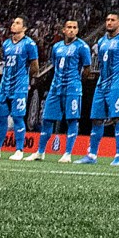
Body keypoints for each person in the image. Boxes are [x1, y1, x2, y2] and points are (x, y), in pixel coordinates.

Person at [86, 10, 119, 164]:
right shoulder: (101, 42)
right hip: (102, 84)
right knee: (97, 119)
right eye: (107, 19)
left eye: (113, 20)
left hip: (117, 84)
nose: (109, 22)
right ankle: (92, 155)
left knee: (117, 118)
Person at [36, 17, 88, 160]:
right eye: (69, 27)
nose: (71, 30)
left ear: (77, 30)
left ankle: (67, 153)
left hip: (72, 88)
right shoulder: (56, 47)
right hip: (55, 87)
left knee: (72, 120)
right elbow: (54, 64)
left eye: (74, 27)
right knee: (47, 119)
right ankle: (40, 152)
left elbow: (87, 69)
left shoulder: (82, 47)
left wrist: (76, 83)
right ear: (63, 30)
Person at [0, 16, 38, 159]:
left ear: (24, 28)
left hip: (19, 86)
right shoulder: (6, 44)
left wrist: (27, 81)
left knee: (17, 117)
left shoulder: (29, 44)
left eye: (17, 23)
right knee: (1, 118)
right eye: (13, 22)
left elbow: (35, 66)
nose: (13, 25)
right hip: (4, 86)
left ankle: (19, 150)